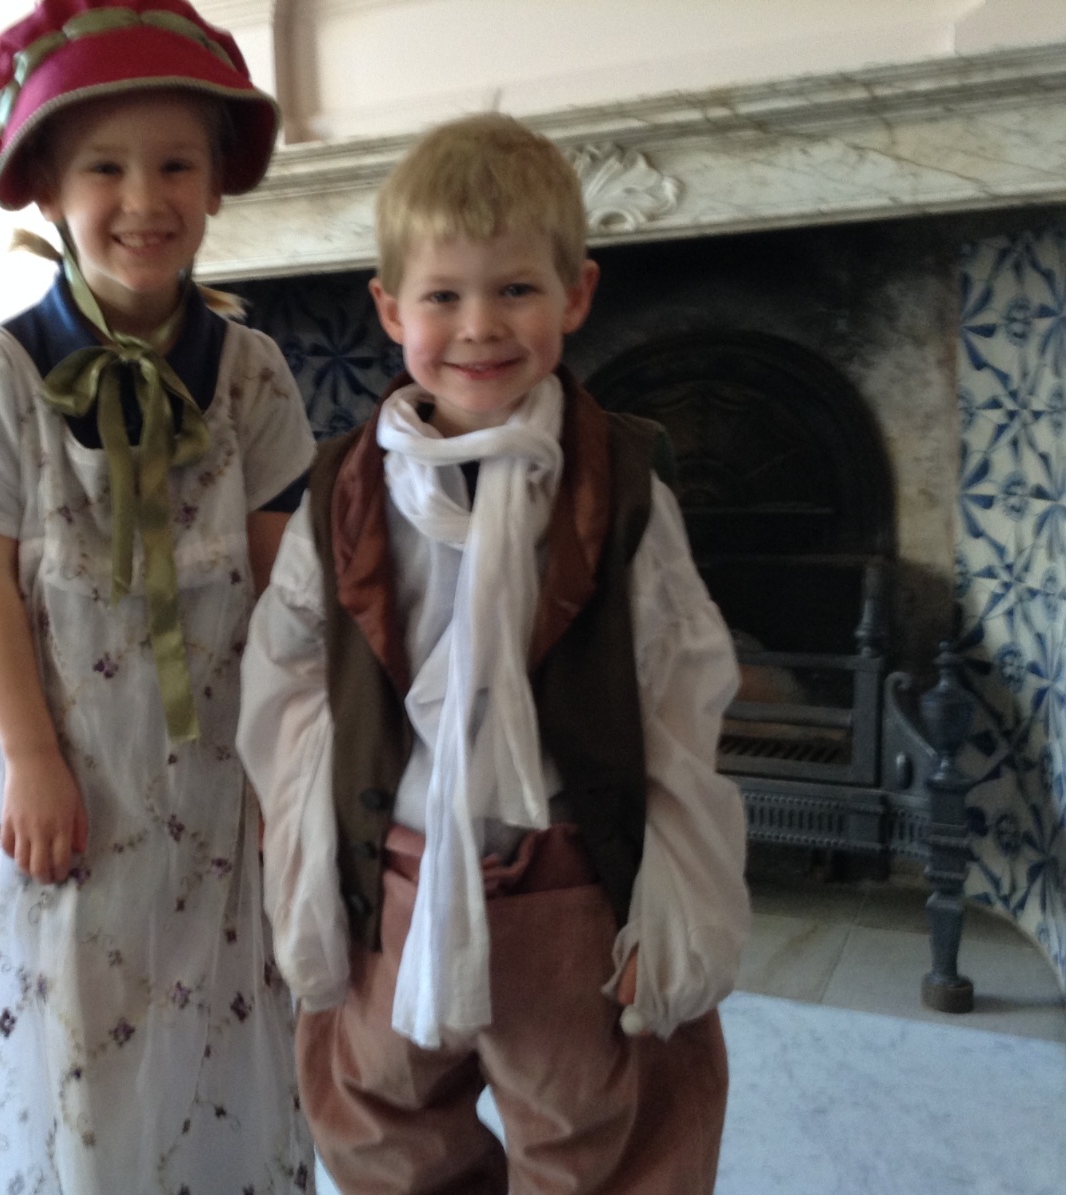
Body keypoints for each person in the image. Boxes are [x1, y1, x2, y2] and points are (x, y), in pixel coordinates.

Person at [237, 112, 751, 1194]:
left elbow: (678, 692)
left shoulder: (621, 483)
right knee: (385, 1135)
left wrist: (674, 896)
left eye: (515, 288)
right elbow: (287, 688)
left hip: (573, 893)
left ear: (576, 294)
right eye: (443, 296)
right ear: (390, 309)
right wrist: (311, 879)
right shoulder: (344, 488)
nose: (479, 327)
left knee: (601, 1141)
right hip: (394, 881)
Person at [0, 2, 316, 1191]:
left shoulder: (252, 374)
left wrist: (290, 762)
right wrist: (33, 757)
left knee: (220, 1001)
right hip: (68, 769)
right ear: (44, 186)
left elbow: (283, 589)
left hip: (222, 768)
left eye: (176, 164)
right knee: (80, 1015)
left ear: (217, 183)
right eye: (105, 168)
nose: (146, 198)